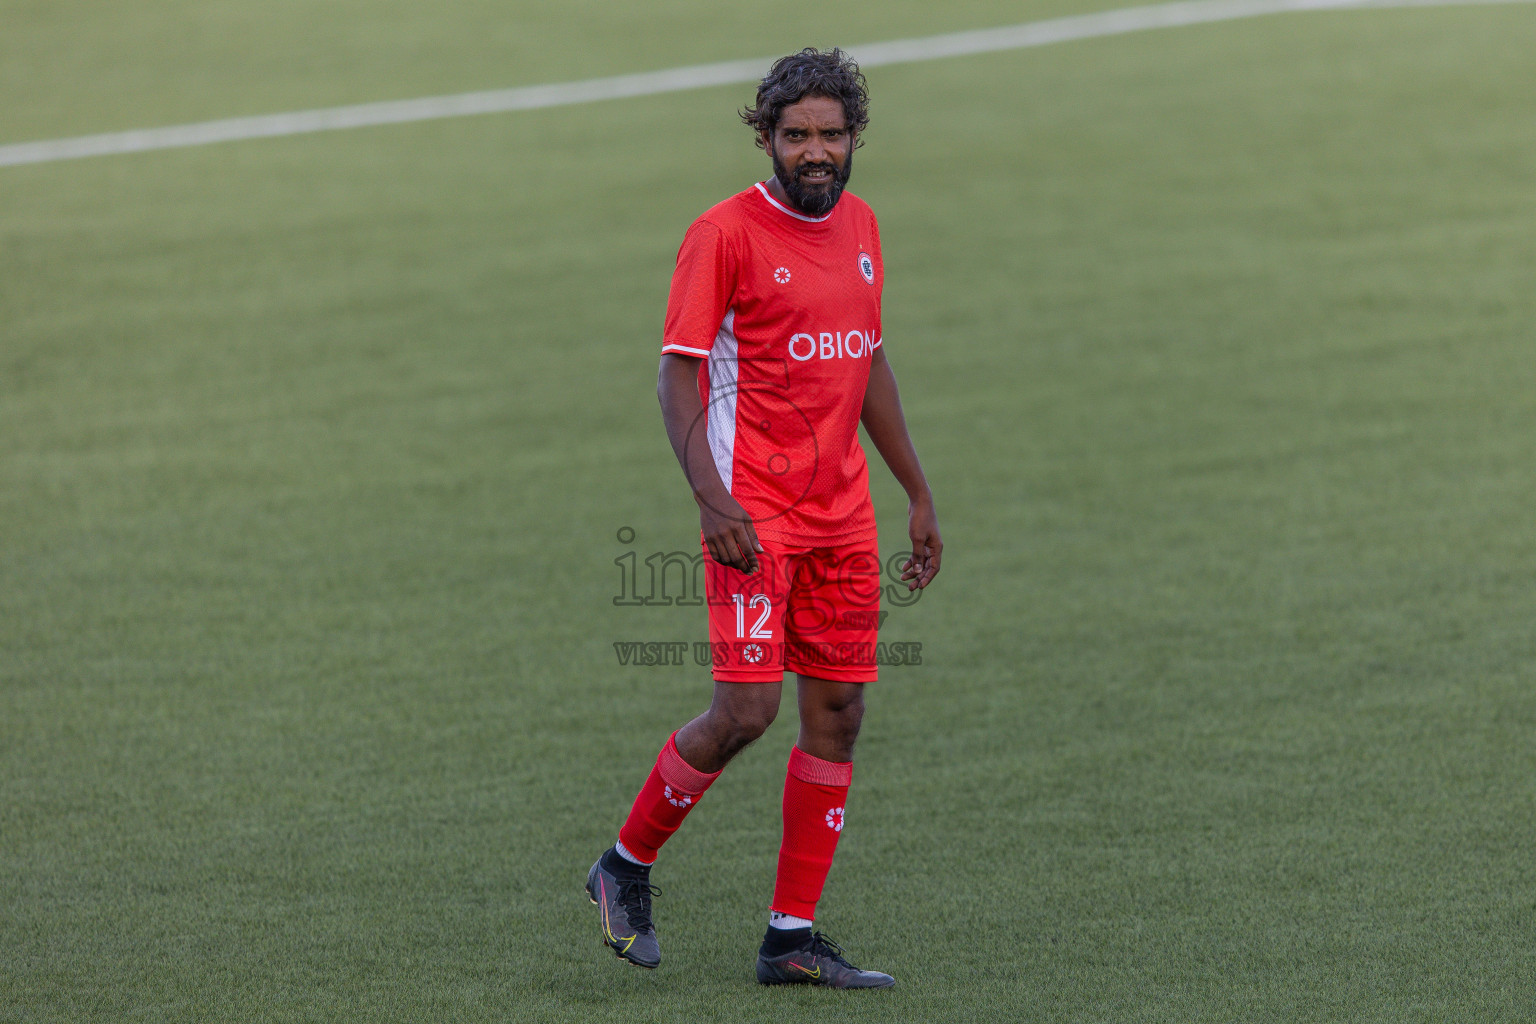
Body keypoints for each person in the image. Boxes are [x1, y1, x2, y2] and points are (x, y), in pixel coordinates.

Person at [586, 46, 941, 989]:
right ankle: (623, 865)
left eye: (830, 135)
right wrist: (712, 500)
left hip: (844, 521)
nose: (814, 152)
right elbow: (677, 373)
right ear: (767, 137)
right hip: (756, 518)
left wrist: (916, 489)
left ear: (855, 136)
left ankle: (790, 938)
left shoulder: (863, 225)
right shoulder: (724, 235)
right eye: (796, 137)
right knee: (746, 710)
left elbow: (866, 362)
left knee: (839, 712)